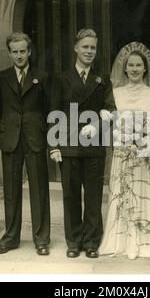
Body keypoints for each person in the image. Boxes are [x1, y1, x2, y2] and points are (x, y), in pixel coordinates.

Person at [99, 42, 150, 260]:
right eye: (130, 65)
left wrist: (144, 127)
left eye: (138, 65)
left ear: (145, 69)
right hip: (123, 151)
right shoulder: (115, 93)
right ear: (124, 68)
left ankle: (145, 239)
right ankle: (123, 239)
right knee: (124, 192)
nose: (134, 69)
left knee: (144, 193)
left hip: (145, 151)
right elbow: (111, 119)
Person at [49, 29, 116, 258]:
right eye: (85, 47)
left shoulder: (103, 78)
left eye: (93, 48)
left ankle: (91, 242)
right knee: (70, 195)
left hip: (94, 145)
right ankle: (74, 241)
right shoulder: (61, 78)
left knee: (94, 195)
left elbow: (110, 109)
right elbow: (54, 111)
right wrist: (54, 145)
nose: (89, 51)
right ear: (76, 48)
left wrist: (97, 124)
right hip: (68, 145)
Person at [0, 32, 50, 255]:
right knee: (11, 190)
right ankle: (11, 238)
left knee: (39, 188)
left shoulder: (41, 76)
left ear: (29, 51)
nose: (19, 55)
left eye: (22, 51)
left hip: (35, 137)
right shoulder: (1, 77)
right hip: (11, 139)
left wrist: (37, 125)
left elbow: (47, 107)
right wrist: (11, 125)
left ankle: (41, 239)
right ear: (9, 53)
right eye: (15, 51)